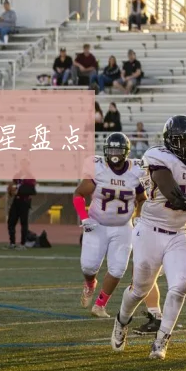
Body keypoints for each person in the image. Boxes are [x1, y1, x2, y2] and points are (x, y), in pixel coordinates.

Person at [111, 115, 186, 360]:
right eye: (179, 140)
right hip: (150, 229)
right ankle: (122, 320)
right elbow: (174, 196)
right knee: (140, 289)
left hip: (179, 234)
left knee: (180, 286)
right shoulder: (158, 156)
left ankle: (161, 340)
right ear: (169, 142)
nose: (185, 145)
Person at [74, 133, 147, 318]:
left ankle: (100, 305)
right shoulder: (98, 169)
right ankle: (90, 284)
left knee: (118, 268)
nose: (114, 154)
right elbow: (78, 194)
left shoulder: (135, 171)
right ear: (106, 151)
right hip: (97, 224)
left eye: (118, 150)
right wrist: (84, 217)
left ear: (126, 153)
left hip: (123, 226)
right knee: (88, 268)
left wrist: (140, 216)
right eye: (111, 150)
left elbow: (142, 198)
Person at [7, 176, 36, 249]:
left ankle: (23, 243)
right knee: (11, 221)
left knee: (24, 223)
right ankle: (12, 243)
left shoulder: (30, 177)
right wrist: (11, 189)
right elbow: (13, 184)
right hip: (16, 201)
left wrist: (19, 189)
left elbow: (31, 190)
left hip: (24, 201)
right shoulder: (17, 175)